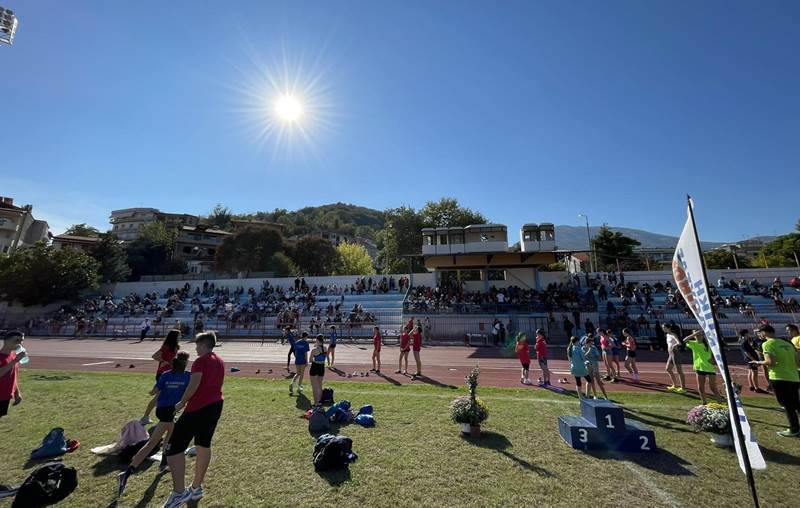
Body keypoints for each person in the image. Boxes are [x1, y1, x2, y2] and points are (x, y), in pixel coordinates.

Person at [161, 331, 225, 508]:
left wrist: (181, 403)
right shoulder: (219, 360)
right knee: (203, 444)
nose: (196, 348)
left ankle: (179, 493)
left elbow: (194, 384)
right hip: (216, 405)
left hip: (198, 408)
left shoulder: (201, 361)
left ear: (203, 345)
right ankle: (196, 488)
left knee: (173, 449)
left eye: (197, 345)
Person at [118, 352, 191, 497]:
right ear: (185, 364)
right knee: (152, 443)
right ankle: (127, 473)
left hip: (162, 410)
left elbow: (154, 391)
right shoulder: (188, 376)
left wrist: (153, 391)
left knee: (171, 435)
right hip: (169, 411)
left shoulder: (166, 375)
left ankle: (164, 462)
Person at [752, 324, 800, 437]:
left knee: (788, 405)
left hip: (779, 377)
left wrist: (758, 362)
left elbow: (770, 362)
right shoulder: (788, 343)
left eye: (759, 332)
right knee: (796, 403)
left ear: (764, 332)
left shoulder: (767, 344)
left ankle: (794, 429)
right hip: (794, 377)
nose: (759, 335)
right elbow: (798, 362)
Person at [141, 329, 181, 425]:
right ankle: (145, 417)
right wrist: (164, 361)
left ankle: (170, 415)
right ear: (174, 337)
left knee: (171, 395)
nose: (181, 337)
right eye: (179, 335)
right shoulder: (166, 346)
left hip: (171, 373)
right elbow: (154, 356)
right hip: (162, 374)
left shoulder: (176, 347)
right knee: (158, 397)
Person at [682, 329, 722, 405]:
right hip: (699, 368)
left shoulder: (708, 344)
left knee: (713, 387)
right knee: (700, 388)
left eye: (699, 335)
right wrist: (695, 334)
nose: (698, 337)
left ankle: (720, 403)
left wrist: (715, 360)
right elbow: (684, 340)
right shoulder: (693, 343)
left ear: (703, 336)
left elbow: (716, 352)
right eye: (696, 335)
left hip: (709, 368)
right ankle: (704, 403)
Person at [0, 330, 25, 418]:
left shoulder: (14, 355)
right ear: (6, 341)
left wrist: (16, 392)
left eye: (21, 341)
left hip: (5, 396)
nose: (20, 344)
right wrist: (15, 361)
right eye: (16, 340)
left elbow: (13, 375)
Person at [739, 329, 767, 393]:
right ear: (745, 334)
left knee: (750, 372)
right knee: (754, 372)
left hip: (749, 359)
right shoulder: (744, 341)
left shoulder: (744, 340)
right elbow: (747, 352)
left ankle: (751, 386)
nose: (749, 334)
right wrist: (754, 360)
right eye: (748, 333)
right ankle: (756, 388)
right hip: (750, 359)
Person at [664, 324, 687, 393]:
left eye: (664, 328)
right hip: (670, 354)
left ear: (669, 328)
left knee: (679, 371)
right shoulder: (667, 335)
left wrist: (674, 345)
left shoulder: (673, 334)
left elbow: (679, 343)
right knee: (668, 369)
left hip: (675, 353)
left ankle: (683, 388)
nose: (663, 329)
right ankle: (675, 385)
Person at [289, 332, 310, 396]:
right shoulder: (306, 343)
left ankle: (292, 383)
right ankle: (299, 387)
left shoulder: (297, 342)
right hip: (303, 360)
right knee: (302, 374)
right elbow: (305, 353)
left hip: (297, 359)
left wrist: (297, 358)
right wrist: (307, 361)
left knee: (298, 373)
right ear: (305, 337)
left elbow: (295, 351)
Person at [308, 335, 327, 405]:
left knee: (314, 386)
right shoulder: (325, 348)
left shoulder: (314, 350)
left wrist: (316, 346)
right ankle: (319, 402)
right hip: (322, 367)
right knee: (320, 385)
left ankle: (316, 403)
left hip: (315, 367)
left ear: (318, 341)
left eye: (316, 340)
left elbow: (310, 360)